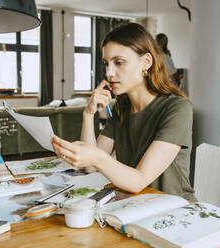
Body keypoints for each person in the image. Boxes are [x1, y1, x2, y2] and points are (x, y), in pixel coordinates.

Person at [51, 23, 196, 201]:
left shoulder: (177, 108)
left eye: (119, 62)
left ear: (146, 62)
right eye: (106, 64)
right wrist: (88, 115)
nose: (109, 73)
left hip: (174, 209)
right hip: (133, 204)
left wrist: (98, 158)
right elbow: (90, 167)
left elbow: (138, 180)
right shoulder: (121, 108)